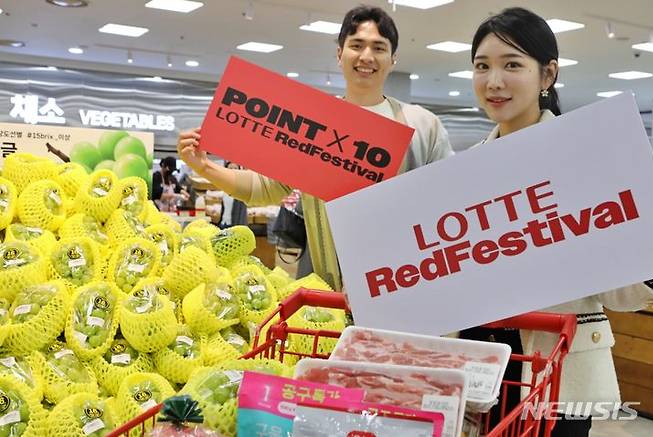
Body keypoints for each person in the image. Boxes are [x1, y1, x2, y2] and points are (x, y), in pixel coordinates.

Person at [465, 7, 653, 436]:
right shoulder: (462, 173)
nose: (494, 81)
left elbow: (621, 292)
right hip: (482, 366)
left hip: (560, 366)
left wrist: (648, 250)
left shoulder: (584, 165)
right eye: (482, 66)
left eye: (512, 64)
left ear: (547, 75)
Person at [177, 5, 453, 290]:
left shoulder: (422, 126)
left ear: (393, 58)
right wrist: (205, 167)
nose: (367, 57)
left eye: (379, 48)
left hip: (407, 281)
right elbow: (264, 187)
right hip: (329, 286)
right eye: (356, 45)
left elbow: (450, 199)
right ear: (339, 54)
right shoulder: (315, 125)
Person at [218, 161, 248, 228]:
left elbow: (242, 213)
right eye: (230, 168)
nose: (232, 171)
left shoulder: (241, 189)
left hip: (234, 226)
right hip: (223, 223)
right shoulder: (225, 187)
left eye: (235, 168)